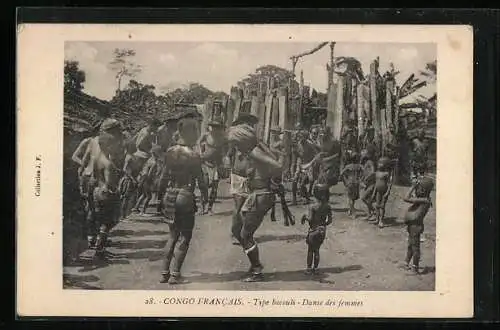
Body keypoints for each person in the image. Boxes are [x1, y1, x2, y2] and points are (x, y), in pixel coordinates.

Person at [227, 121, 283, 282]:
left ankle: (257, 269)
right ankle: (254, 265)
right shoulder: (254, 150)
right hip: (256, 194)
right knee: (237, 229)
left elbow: (277, 166)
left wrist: (274, 183)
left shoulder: (254, 152)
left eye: (236, 143)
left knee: (245, 234)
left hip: (261, 195)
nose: (235, 147)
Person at [160, 114, 208, 285]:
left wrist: (160, 199)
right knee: (185, 237)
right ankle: (175, 274)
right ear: (190, 132)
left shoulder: (169, 152)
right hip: (186, 195)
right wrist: (205, 199)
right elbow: (201, 182)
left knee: (172, 235)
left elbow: (162, 179)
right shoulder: (194, 155)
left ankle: (164, 272)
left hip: (170, 194)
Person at [80, 118, 125, 255]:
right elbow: (110, 183)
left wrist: (85, 188)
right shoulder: (109, 163)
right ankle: (100, 248)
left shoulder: (96, 155)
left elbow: (89, 171)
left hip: (94, 188)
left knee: (94, 215)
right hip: (104, 191)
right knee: (107, 221)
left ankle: (92, 240)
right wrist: (116, 191)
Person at [226, 113, 258, 245]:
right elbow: (230, 155)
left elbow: (229, 155)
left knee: (243, 206)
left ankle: (239, 232)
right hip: (242, 174)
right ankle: (236, 233)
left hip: (241, 173)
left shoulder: (239, 137)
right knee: (241, 206)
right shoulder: (243, 138)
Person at [403, 176, 434, 274]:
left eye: (418, 188)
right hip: (412, 225)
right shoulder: (423, 199)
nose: (416, 190)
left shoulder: (425, 200)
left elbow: (406, 198)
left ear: (424, 190)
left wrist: (412, 186)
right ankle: (406, 263)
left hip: (416, 226)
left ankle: (415, 267)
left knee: (415, 247)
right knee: (410, 245)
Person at [300, 183, 333, 275]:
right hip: (322, 231)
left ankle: (309, 268)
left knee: (310, 250)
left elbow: (310, 218)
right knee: (317, 250)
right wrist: (323, 225)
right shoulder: (327, 206)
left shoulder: (312, 206)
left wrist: (304, 217)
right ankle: (316, 268)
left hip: (313, 231)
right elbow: (329, 221)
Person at [199, 118, 227, 214]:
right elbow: (199, 144)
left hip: (216, 164)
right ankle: (203, 207)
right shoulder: (206, 136)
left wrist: (223, 162)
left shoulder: (223, 138)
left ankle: (210, 208)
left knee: (214, 188)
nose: (215, 129)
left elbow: (224, 151)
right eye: (214, 127)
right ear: (211, 127)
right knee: (204, 185)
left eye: (218, 127)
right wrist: (201, 153)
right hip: (205, 163)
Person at [133, 145, 164, 215]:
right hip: (147, 180)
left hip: (143, 178)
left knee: (144, 195)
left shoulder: (149, 160)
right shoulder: (154, 162)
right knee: (149, 196)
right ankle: (143, 211)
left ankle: (136, 208)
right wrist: (153, 179)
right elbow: (150, 173)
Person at [371, 156, 393, 228]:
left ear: (385, 165)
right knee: (377, 205)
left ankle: (381, 220)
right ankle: (377, 219)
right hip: (378, 191)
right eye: (379, 163)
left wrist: (387, 192)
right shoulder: (377, 173)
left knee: (382, 206)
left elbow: (389, 184)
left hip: (384, 192)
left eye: (381, 163)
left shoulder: (386, 174)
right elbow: (376, 184)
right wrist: (374, 193)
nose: (379, 164)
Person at [339, 152, 364, 217]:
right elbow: (364, 173)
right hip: (356, 183)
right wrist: (360, 178)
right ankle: (352, 211)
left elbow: (341, 173)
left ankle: (351, 211)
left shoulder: (348, 166)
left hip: (349, 182)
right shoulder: (359, 166)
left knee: (350, 198)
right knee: (352, 199)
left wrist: (345, 180)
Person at [360, 149, 376, 219]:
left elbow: (373, 172)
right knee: (367, 198)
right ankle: (370, 214)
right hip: (367, 183)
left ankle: (374, 211)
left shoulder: (370, 162)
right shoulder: (365, 163)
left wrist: (367, 177)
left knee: (364, 198)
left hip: (371, 183)